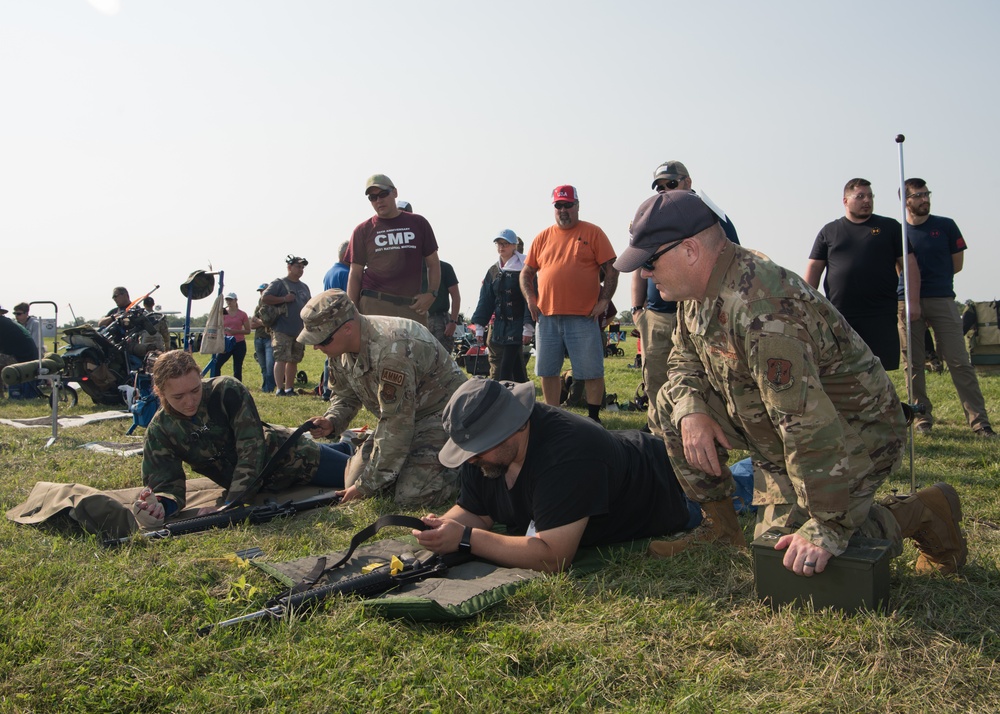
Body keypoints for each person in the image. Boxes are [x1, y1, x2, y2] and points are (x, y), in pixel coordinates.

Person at [614, 190, 967, 577]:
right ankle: (721, 526)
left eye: (650, 261)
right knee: (671, 401)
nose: (644, 274)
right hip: (777, 433)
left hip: (851, 437)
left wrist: (827, 526)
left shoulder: (762, 310)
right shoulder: (696, 291)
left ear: (690, 250)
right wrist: (692, 411)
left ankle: (924, 510)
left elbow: (807, 422)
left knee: (793, 560)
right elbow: (683, 358)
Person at [411, 379, 695, 572]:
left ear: (515, 427)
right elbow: (477, 511)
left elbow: (552, 556)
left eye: (478, 449)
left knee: (733, 486)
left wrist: (465, 539)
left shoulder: (568, 454)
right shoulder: (485, 456)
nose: (471, 459)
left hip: (674, 485)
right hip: (624, 454)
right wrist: (441, 528)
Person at [135, 350, 353, 521]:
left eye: (195, 390)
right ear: (160, 392)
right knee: (347, 457)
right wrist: (160, 505)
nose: (190, 402)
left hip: (295, 460)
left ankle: (350, 447)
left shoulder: (226, 391)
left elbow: (252, 449)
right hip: (253, 486)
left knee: (358, 476)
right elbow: (166, 483)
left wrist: (230, 505)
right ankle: (346, 446)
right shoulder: (160, 430)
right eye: (179, 396)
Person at [299, 290, 468, 507]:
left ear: (347, 328)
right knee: (353, 479)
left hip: (444, 417)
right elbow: (345, 395)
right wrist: (332, 420)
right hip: (401, 419)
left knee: (412, 496)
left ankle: (467, 464)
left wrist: (366, 486)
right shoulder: (338, 348)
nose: (316, 347)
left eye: (321, 341)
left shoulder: (392, 350)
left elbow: (396, 426)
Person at [632, 161, 740, 433]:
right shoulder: (651, 219)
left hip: (699, 316)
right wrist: (637, 309)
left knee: (702, 381)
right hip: (659, 315)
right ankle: (660, 437)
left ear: (688, 182)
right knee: (656, 378)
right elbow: (638, 264)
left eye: (671, 183)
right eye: (659, 186)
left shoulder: (711, 217)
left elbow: (731, 260)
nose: (665, 190)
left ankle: (703, 434)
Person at [897, 178, 996, 438]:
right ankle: (920, 417)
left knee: (959, 362)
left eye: (926, 194)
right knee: (914, 364)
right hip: (907, 301)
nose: (924, 199)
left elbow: (957, 264)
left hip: (942, 298)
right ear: (905, 201)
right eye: (918, 195)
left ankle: (979, 422)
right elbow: (897, 267)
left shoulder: (946, 226)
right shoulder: (898, 232)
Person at [520, 185, 618, 422]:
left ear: (577, 206)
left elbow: (612, 269)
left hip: (583, 317)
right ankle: (553, 417)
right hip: (547, 317)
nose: (563, 210)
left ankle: (594, 418)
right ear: (554, 208)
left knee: (592, 370)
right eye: (559, 206)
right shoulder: (543, 237)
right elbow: (526, 273)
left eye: (568, 205)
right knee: (547, 371)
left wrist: (604, 301)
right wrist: (531, 299)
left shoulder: (594, 233)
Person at [805, 178, 921, 370]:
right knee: (843, 368)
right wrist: (806, 304)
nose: (867, 200)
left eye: (870, 196)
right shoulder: (829, 231)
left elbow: (910, 266)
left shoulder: (890, 228)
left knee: (880, 369)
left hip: (880, 313)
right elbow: (814, 268)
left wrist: (913, 302)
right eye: (860, 196)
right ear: (845, 201)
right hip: (841, 314)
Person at [345, 175, 441, 326]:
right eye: (372, 197)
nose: (379, 200)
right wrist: (352, 312)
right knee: (373, 350)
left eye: (383, 194)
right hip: (374, 305)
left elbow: (433, 263)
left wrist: (432, 294)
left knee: (417, 349)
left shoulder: (418, 223)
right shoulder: (362, 230)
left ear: (395, 193)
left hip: (412, 307)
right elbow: (355, 273)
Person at [469, 229, 533, 383]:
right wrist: (479, 326)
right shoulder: (493, 271)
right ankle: (525, 398)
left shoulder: (525, 269)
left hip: (517, 324)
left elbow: (529, 299)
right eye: (499, 244)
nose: (501, 247)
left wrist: (528, 326)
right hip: (500, 325)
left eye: (505, 244)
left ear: (514, 246)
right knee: (517, 367)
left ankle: (503, 400)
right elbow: (486, 299)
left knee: (506, 367)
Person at [262, 255, 312, 396]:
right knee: (281, 358)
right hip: (282, 329)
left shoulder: (304, 287)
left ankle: (289, 388)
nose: (301, 269)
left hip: (299, 330)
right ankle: (279, 389)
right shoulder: (279, 283)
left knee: (294, 360)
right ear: (289, 267)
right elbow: (265, 298)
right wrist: (284, 299)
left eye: (302, 267)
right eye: (298, 266)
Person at [210, 293, 251, 382]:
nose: (229, 302)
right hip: (226, 342)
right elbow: (217, 326)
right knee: (217, 363)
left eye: (231, 300)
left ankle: (237, 386)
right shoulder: (223, 312)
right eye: (227, 300)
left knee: (237, 367)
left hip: (239, 343)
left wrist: (235, 332)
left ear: (236, 300)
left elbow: (248, 331)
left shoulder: (242, 314)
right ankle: (216, 382)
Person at [249, 283, 276, 394]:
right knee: (263, 366)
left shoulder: (273, 307)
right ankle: (266, 387)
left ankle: (270, 387)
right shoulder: (258, 307)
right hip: (258, 338)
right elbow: (251, 325)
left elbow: (270, 323)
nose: (261, 293)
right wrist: (263, 323)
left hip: (269, 338)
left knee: (270, 365)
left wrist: (259, 321)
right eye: (260, 291)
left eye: (263, 291)